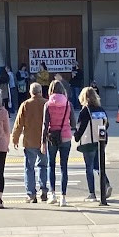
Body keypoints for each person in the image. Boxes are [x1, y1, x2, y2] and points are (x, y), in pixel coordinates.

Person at [11, 81, 50, 203]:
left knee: (29, 168)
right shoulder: (46, 104)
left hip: (29, 140)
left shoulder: (25, 104)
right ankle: (44, 190)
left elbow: (18, 124)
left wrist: (15, 139)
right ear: (40, 92)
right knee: (43, 166)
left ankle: (31, 194)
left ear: (30, 92)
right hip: (44, 140)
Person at [74, 86, 112, 204]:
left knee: (89, 168)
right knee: (99, 165)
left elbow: (81, 127)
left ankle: (92, 193)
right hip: (101, 141)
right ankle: (106, 184)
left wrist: (76, 137)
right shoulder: (100, 109)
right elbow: (107, 124)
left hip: (88, 142)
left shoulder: (85, 111)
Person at [42, 78, 75, 207]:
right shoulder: (68, 104)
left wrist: (42, 141)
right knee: (64, 167)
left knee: (51, 165)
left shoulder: (48, 104)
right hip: (65, 136)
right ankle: (63, 197)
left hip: (52, 137)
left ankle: (53, 194)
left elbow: (45, 125)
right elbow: (73, 123)